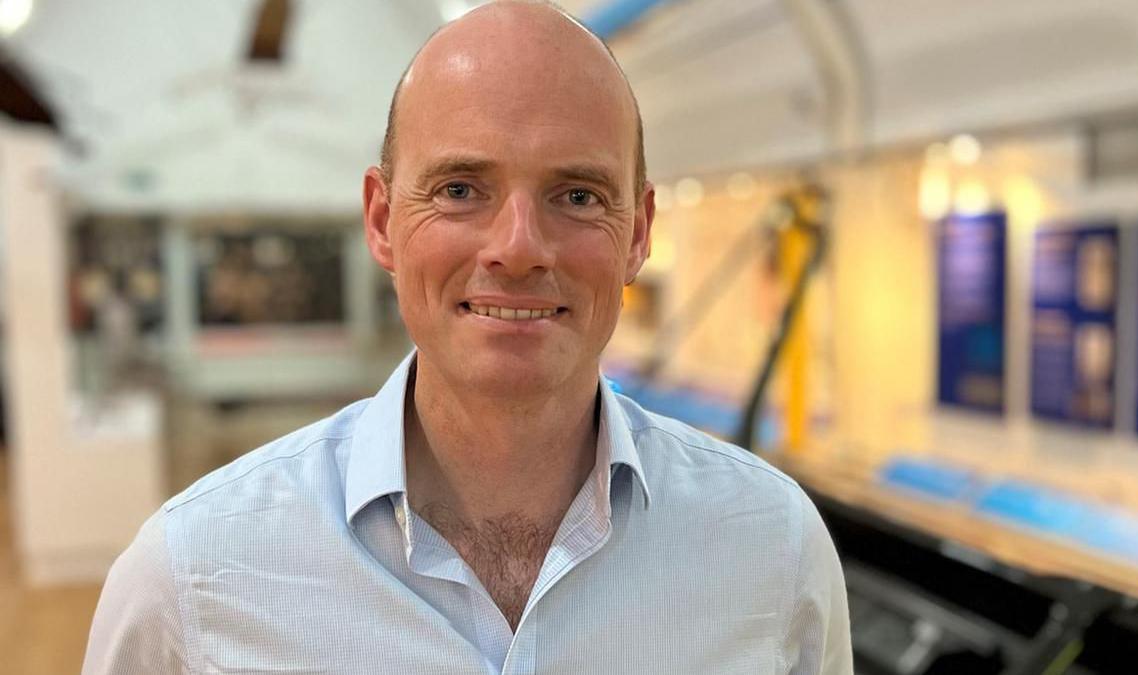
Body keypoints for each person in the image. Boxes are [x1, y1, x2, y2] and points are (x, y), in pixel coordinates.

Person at [83, 1, 852, 672]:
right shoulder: (191, 577)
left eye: (577, 194)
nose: (518, 247)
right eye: (460, 189)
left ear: (638, 232)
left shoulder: (774, 553)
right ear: (382, 220)